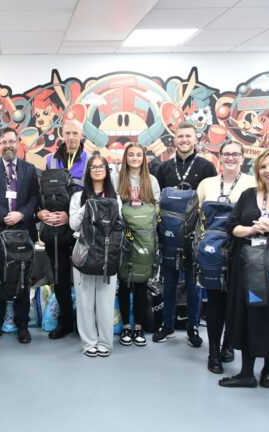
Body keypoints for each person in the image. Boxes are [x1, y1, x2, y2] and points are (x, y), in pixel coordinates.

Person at [219, 148, 269, 388]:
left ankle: (268, 371)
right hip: (248, 266)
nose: (268, 171)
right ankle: (246, 373)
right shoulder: (249, 194)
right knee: (247, 315)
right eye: (263, 167)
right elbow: (231, 226)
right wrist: (250, 229)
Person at [153, 122, 217, 346]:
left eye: (188, 136)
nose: (184, 140)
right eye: (180, 136)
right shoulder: (163, 168)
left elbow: (211, 201)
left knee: (193, 284)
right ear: (174, 139)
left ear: (195, 138)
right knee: (168, 282)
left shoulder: (207, 168)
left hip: (195, 236)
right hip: (169, 235)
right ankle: (167, 325)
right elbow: (157, 202)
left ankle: (192, 328)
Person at [0, 127, 39, 344]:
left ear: (19, 142)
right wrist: (4, 215)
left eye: (12, 141)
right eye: (4, 142)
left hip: (22, 234)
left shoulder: (30, 170)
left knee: (22, 280)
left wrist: (21, 214)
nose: (8, 145)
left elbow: (34, 198)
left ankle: (22, 325)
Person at [196, 142, 255, 373]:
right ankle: (213, 352)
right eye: (226, 154)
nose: (230, 157)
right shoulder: (206, 184)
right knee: (215, 302)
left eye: (235, 154)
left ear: (242, 157)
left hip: (241, 250)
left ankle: (229, 345)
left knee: (235, 301)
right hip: (212, 252)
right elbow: (196, 217)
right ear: (219, 157)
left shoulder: (253, 183)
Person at [37, 119, 89, 339]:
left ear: (82, 135)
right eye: (68, 133)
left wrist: (72, 215)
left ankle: (84, 323)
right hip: (54, 229)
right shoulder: (50, 160)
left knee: (82, 278)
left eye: (75, 133)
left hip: (80, 229)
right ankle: (66, 321)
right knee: (59, 276)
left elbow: (95, 195)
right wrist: (40, 213)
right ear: (61, 133)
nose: (71, 137)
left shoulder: (90, 161)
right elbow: (38, 194)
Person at [69, 154, 121, 357]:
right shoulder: (77, 197)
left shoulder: (115, 198)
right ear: (88, 171)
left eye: (101, 166)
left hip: (108, 253)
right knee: (84, 300)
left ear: (107, 171)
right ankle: (89, 342)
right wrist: (87, 206)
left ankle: (105, 343)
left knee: (106, 301)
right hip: (83, 252)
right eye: (93, 166)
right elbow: (73, 225)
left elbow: (119, 224)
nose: (98, 170)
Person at [113, 142, 160, 347]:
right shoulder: (117, 179)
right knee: (124, 282)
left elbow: (157, 208)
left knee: (141, 282)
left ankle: (138, 327)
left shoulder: (151, 180)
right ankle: (125, 326)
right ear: (126, 158)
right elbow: (114, 207)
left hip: (144, 238)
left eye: (138, 155)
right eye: (130, 155)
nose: (134, 158)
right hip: (125, 237)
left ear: (144, 158)